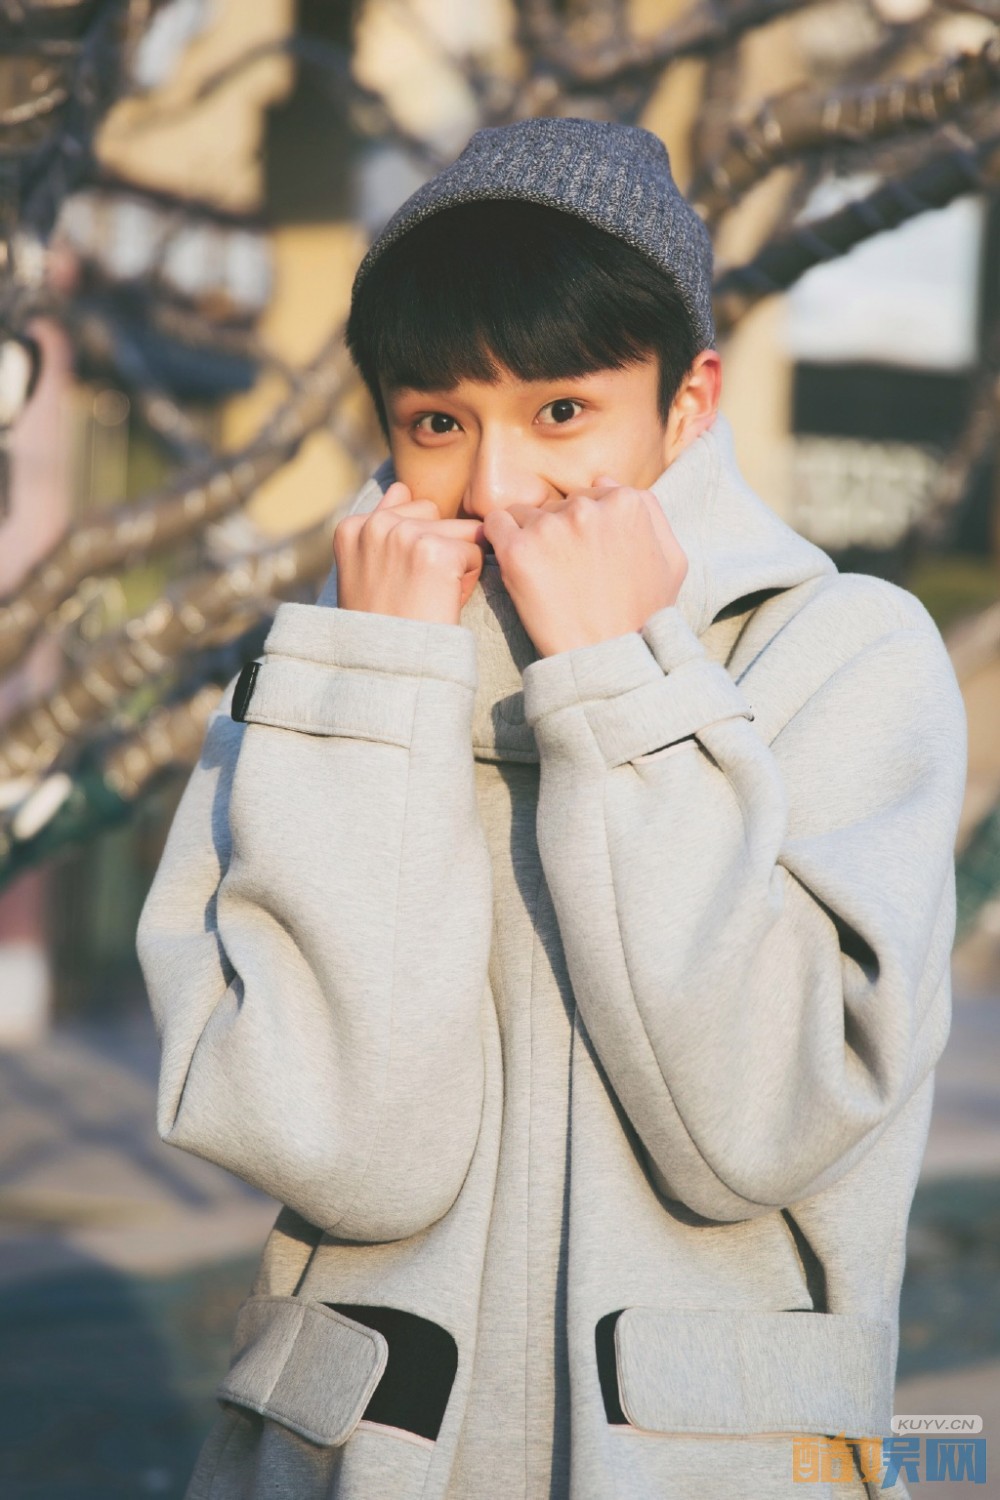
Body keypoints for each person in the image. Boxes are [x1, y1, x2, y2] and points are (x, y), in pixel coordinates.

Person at [135, 117, 967, 1500]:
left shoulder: (837, 653)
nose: (501, 486)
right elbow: (350, 1156)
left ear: (688, 402)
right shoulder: (321, 677)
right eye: (440, 423)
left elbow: (758, 1129)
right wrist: (378, 684)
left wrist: (618, 678)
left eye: (563, 412)